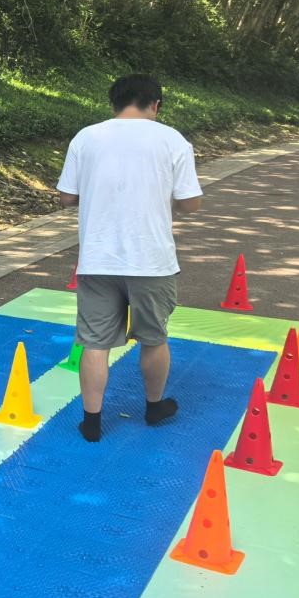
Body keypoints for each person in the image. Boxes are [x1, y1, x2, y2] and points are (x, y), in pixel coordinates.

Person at [56, 74, 202, 442]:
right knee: (153, 338)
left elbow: (67, 198)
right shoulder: (173, 140)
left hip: (97, 258)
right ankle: (154, 407)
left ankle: (91, 422)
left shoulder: (86, 137)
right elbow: (190, 204)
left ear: (114, 103)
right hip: (151, 260)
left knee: (95, 343)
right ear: (156, 105)